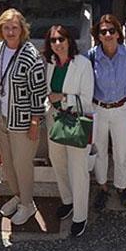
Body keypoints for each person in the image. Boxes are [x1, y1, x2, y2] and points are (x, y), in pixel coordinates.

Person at [0, 9, 48, 226]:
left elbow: (39, 92)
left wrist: (35, 121)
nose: (10, 31)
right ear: (0, 29)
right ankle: (18, 195)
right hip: (1, 117)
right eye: (6, 27)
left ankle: (27, 204)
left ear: (22, 29)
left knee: (22, 165)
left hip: (22, 121)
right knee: (8, 165)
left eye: (14, 27)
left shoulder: (31, 55)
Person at [87, 15, 126, 213]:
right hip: (99, 109)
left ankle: (121, 187)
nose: (108, 34)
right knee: (100, 151)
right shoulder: (91, 56)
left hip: (123, 109)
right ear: (98, 35)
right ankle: (102, 186)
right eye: (103, 31)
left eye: (112, 30)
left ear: (119, 33)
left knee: (122, 152)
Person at [43, 24, 95, 237]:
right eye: (53, 40)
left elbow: (87, 99)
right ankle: (68, 200)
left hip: (75, 121)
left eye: (61, 39)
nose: (57, 44)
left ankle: (80, 216)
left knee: (78, 171)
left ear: (69, 41)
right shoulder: (51, 64)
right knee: (58, 163)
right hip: (55, 119)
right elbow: (47, 91)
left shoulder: (82, 64)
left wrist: (64, 98)